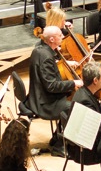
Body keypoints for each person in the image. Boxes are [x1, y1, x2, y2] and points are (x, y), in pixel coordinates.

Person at [26, 26, 83, 154]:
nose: (63, 37)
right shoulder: (46, 57)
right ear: (52, 39)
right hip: (45, 103)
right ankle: (59, 145)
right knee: (75, 108)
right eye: (60, 35)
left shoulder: (39, 50)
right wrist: (73, 83)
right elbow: (51, 86)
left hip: (37, 96)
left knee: (72, 102)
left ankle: (57, 138)